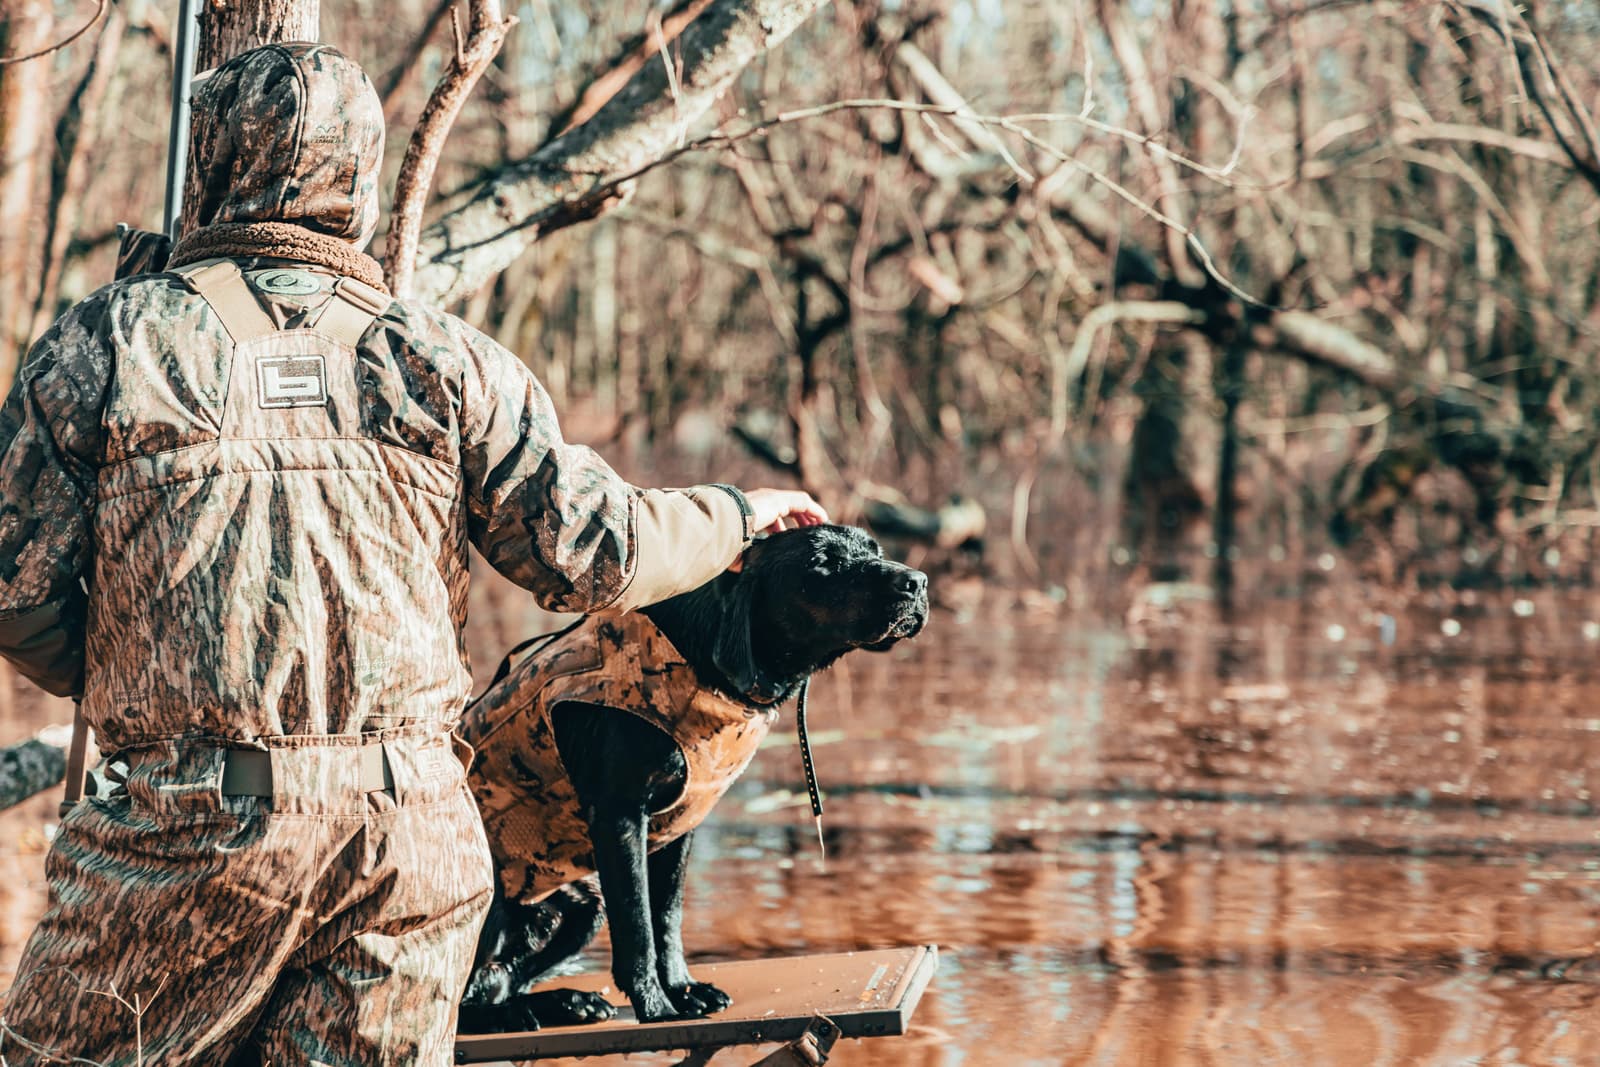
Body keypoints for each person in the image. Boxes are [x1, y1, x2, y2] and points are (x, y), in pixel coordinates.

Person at [0, 42, 826, 1066]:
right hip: (412, 842)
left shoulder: (105, 343)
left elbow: (17, 597)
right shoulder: (445, 357)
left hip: (189, 822)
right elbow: (598, 554)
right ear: (364, 177)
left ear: (208, 163)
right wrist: (743, 514)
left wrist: (137, 671)